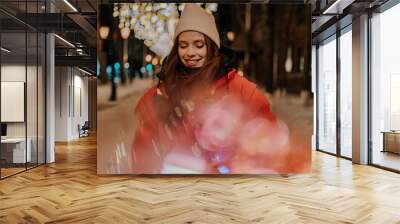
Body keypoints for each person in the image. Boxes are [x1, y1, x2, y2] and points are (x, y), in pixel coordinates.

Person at [132, 4, 288, 174]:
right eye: (183, 45)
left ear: (211, 47)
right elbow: (143, 148)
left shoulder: (239, 87)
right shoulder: (162, 93)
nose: (190, 52)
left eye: (199, 45)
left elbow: (268, 134)